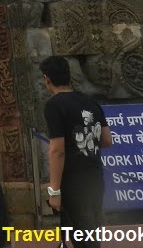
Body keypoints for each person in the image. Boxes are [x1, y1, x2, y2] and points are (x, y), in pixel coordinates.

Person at [40, 56, 112, 248]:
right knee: (88, 234)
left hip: (73, 183)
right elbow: (106, 140)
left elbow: (57, 151)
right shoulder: (90, 102)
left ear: (47, 79)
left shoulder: (54, 105)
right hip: (95, 178)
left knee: (83, 240)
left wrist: (54, 191)